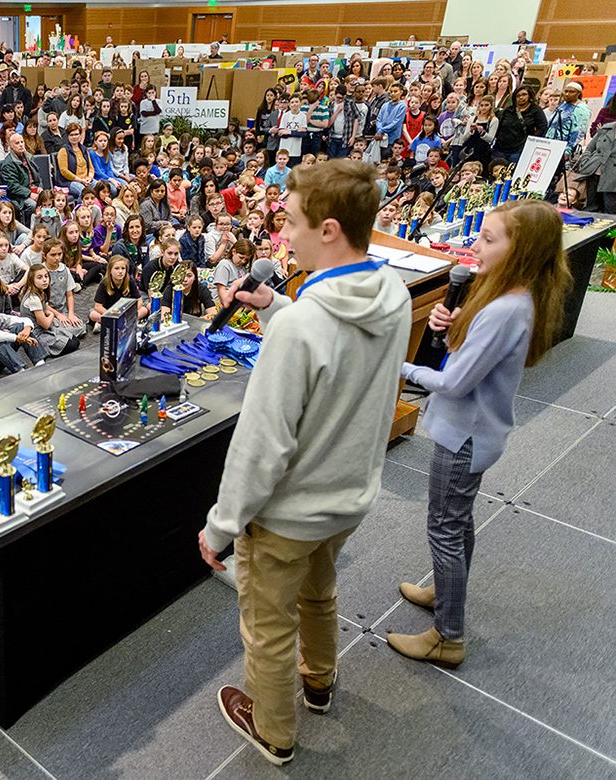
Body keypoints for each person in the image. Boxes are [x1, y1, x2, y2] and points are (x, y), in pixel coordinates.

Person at [199, 160, 412, 766]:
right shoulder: (393, 294)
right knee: (319, 590)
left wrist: (221, 526)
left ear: (329, 230)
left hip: (287, 515)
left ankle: (274, 731)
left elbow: (261, 445)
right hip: (348, 496)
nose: (283, 236)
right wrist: (275, 308)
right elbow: (338, 365)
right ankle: (319, 680)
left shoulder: (301, 325)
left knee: (267, 627)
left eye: (292, 222)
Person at [387, 200, 572, 668]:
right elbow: (474, 358)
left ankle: (447, 637)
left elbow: (454, 382)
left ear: (520, 250)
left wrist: (397, 366)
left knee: (444, 528)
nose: (474, 246)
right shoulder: (510, 297)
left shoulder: (504, 309)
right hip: (475, 431)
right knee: (457, 520)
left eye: (488, 239)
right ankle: (445, 593)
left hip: (464, 437)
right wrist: (452, 329)